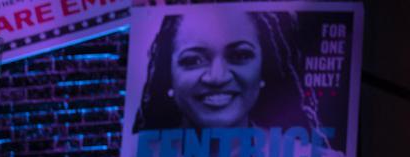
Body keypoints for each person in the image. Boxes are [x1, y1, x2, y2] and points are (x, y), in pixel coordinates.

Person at [134, 11, 321, 133]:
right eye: (193, 60)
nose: (217, 77)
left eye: (240, 56)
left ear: (264, 70)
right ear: (168, 76)